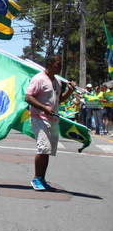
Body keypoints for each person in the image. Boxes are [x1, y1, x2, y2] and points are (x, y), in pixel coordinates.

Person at [25, 54, 75, 191]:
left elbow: (59, 100)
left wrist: (69, 91)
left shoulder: (58, 81)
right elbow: (28, 97)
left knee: (48, 151)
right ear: (50, 64)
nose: (60, 66)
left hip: (53, 119)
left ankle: (42, 178)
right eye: (58, 64)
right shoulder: (39, 79)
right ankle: (36, 178)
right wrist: (43, 108)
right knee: (43, 148)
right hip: (39, 118)